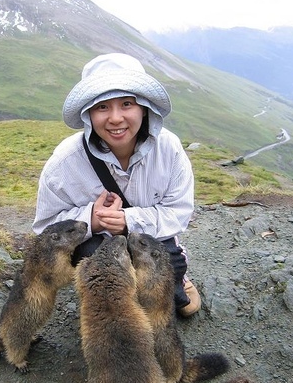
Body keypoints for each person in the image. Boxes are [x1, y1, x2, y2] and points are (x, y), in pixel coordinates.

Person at [32, 53, 201, 317]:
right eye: (102, 107)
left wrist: (127, 221)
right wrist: (92, 220)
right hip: (98, 248)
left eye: (126, 104)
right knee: (94, 258)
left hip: (147, 240)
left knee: (178, 290)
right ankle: (111, 304)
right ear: (88, 114)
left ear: (144, 108)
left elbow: (178, 212)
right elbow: (44, 228)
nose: (115, 118)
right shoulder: (65, 161)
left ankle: (175, 278)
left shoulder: (169, 148)